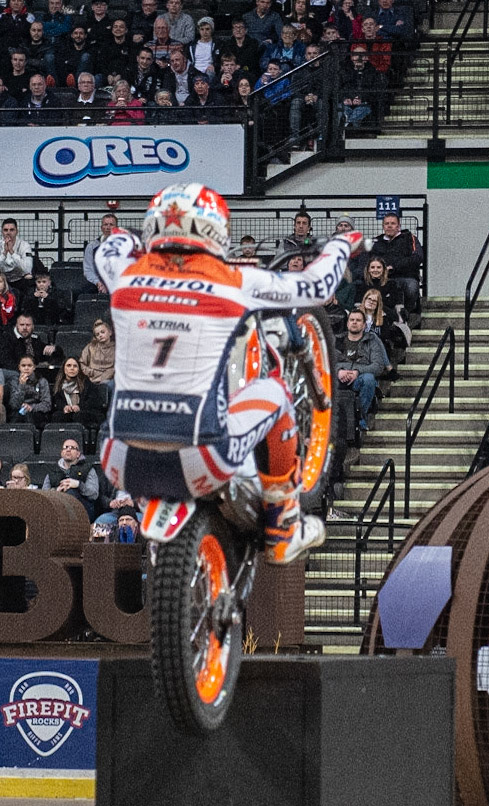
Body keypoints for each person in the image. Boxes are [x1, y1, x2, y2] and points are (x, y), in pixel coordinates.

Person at [95, 183, 361, 564]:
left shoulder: (123, 273)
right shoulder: (235, 282)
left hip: (120, 460)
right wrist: (341, 243)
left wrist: (130, 240)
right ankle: (283, 526)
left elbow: (113, 242)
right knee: (276, 394)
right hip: (202, 456)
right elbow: (316, 286)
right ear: (217, 230)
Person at [335, 305, 388, 431]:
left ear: (364, 325)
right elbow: (326, 362)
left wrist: (357, 372)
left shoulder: (372, 340)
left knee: (369, 379)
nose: (354, 322)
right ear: (347, 323)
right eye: (352, 320)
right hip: (338, 377)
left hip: (360, 378)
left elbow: (378, 366)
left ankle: (360, 417)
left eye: (358, 320)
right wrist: (338, 372)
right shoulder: (336, 341)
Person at [369, 211, 422, 317]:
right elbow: (369, 260)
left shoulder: (409, 238)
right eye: (386, 223)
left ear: (399, 226)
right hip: (383, 278)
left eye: (392, 223)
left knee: (411, 288)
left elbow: (417, 257)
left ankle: (407, 313)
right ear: (383, 226)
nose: (389, 226)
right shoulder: (376, 242)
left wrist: (394, 267)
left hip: (406, 276)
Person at [41, 434, 99, 517]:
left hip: (83, 510)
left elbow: (94, 494)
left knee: (71, 492)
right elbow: (44, 496)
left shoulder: (88, 469)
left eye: (72, 448)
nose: (68, 450)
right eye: (66, 447)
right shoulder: (52, 470)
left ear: (78, 454)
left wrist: (78, 485)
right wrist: (56, 491)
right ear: (62, 452)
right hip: (57, 507)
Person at [52, 355, 103, 427]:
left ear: (79, 369)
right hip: (69, 412)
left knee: (79, 416)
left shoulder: (86, 382)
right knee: (57, 416)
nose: (72, 368)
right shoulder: (59, 384)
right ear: (64, 368)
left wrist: (79, 407)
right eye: (69, 366)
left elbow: (93, 400)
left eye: (75, 366)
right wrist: (64, 407)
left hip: (86, 412)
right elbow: (57, 400)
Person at [8, 355, 51, 431]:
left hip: (36, 413)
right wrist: (21, 385)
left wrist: (31, 407)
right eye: (23, 365)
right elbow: (14, 404)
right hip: (18, 412)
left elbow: (47, 404)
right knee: (17, 416)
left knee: (29, 416)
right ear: (19, 367)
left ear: (34, 367)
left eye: (29, 365)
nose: (26, 368)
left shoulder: (42, 381)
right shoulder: (14, 381)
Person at [79, 318, 115, 386]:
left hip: (109, 380)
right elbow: (81, 364)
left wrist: (107, 374)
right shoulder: (90, 347)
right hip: (91, 379)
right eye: (97, 334)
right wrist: (91, 372)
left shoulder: (117, 349)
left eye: (102, 332)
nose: (100, 335)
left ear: (110, 332)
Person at [0, 218, 33, 289]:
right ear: (2, 232)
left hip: (19, 279)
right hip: (2, 280)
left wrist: (12, 252)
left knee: (29, 277)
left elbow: (27, 269)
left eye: (12, 230)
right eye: (5, 230)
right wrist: (4, 253)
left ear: (17, 231)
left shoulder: (24, 245)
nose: (8, 233)